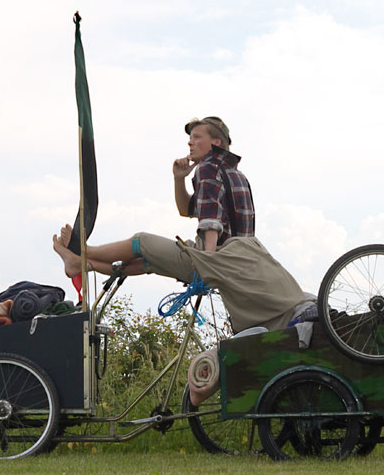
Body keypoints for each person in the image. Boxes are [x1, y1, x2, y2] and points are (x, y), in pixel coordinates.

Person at [53, 116, 303, 332]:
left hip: (215, 257)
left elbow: (210, 219)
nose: (189, 143)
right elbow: (188, 210)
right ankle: (82, 264)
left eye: (196, 137)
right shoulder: (236, 175)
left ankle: (82, 252)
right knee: (148, 263)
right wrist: (178, 179)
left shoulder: (208, 168)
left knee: (142, 242)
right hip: (238, 264)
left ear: (215, 143)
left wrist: (208, 261)